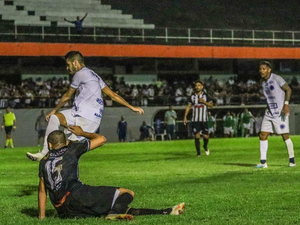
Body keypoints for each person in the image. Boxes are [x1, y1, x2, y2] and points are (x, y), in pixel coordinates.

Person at [38, 126, 185, 220]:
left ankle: (166, 212)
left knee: (120, 208)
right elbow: (101, 139)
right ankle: (113, 215)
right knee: (126, 193)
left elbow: (42, 191)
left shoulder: (43, 162)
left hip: (64, 211)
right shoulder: (72, 149)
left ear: (50, 145)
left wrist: (42, 217)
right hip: (79, 196)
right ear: (66, 142)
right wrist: (82, 132)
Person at [26, 51, 144, 161]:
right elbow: (112, 95)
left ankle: (61, 177)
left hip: (88, 118)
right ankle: (44, 153)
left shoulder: (80, 74)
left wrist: (54, 109)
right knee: (55, 118)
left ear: (75, 63)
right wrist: (132, 107)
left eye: (68, 65)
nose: (67, 68)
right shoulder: (94, 75)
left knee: (69, 152)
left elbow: (67, 96)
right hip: (80, 113)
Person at [256, 61, 295, 168]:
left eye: (263, 69)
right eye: (260, 69)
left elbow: (288, 89)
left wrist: (286, 104)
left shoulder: (276, 78)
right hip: (269, 112)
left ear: (269, 70)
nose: (261, 71)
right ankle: (263, 162)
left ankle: (292, 160)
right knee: (263, 135)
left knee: (285, 136)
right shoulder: (263, 82)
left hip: (279, 112)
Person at [183, 80, 213, 157]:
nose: (197, 87)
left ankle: (205, 146)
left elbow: (211, 105)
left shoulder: (206, 96)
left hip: (204, 119)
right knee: (197, 135)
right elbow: (188, 106)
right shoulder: (192, 97)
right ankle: (198, 153)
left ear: (202, 87)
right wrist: (185, 117)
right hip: (195, 119)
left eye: (199, 85)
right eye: (196, 85)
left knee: (206, 136)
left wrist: (204, 102)